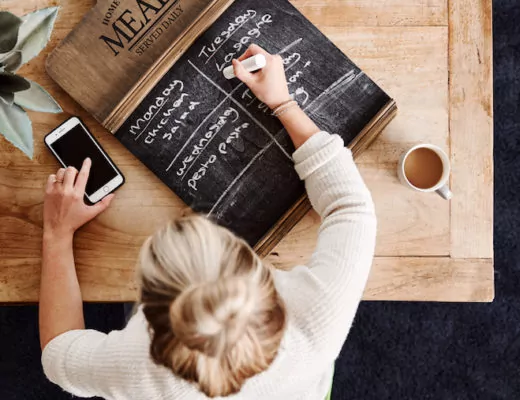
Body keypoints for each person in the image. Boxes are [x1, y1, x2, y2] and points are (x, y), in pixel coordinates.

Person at [40, 44, 376, 399]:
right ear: (259, 275)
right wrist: (284, 103)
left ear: (148, 314)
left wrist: (56, 234)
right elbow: (351, 207)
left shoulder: (139, 371)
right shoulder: (318, 317)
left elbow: (57, 353)